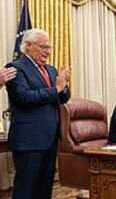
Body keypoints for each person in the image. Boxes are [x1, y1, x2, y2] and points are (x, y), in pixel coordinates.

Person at [5, 28, 71, 199]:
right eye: (43, 47)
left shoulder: (50, 69)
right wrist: (56, 88)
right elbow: (23, 97)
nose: (48, 52)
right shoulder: (15, 68)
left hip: (50, 138)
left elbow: (61, 99)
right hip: (29, 140)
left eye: (49, 47)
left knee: (44, 187)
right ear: (28, 46)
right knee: (26, 189)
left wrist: (64, 86)